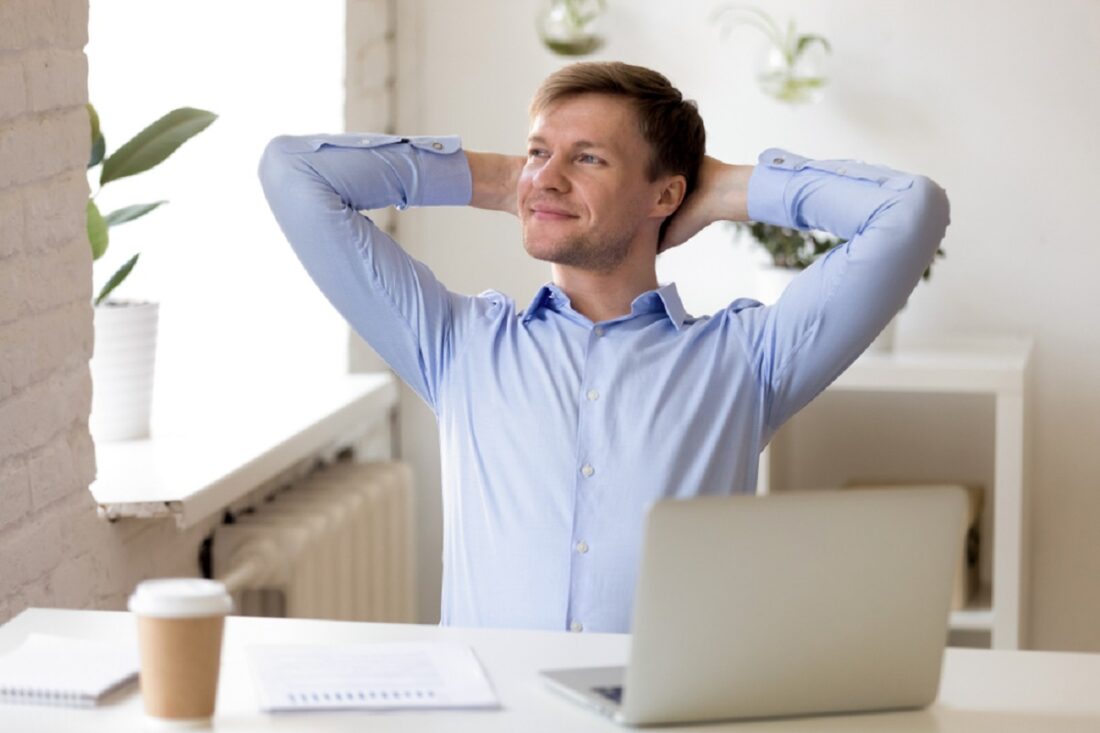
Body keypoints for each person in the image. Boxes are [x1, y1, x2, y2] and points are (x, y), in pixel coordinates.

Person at [258, 61, 950, 634]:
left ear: (666, 194)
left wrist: (727, 192)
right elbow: (292, 172)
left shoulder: (747, 359)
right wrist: (506, 181)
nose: (548, 176)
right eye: (538, 152)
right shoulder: (457, 345)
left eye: (588, 157)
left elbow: (909, 210)